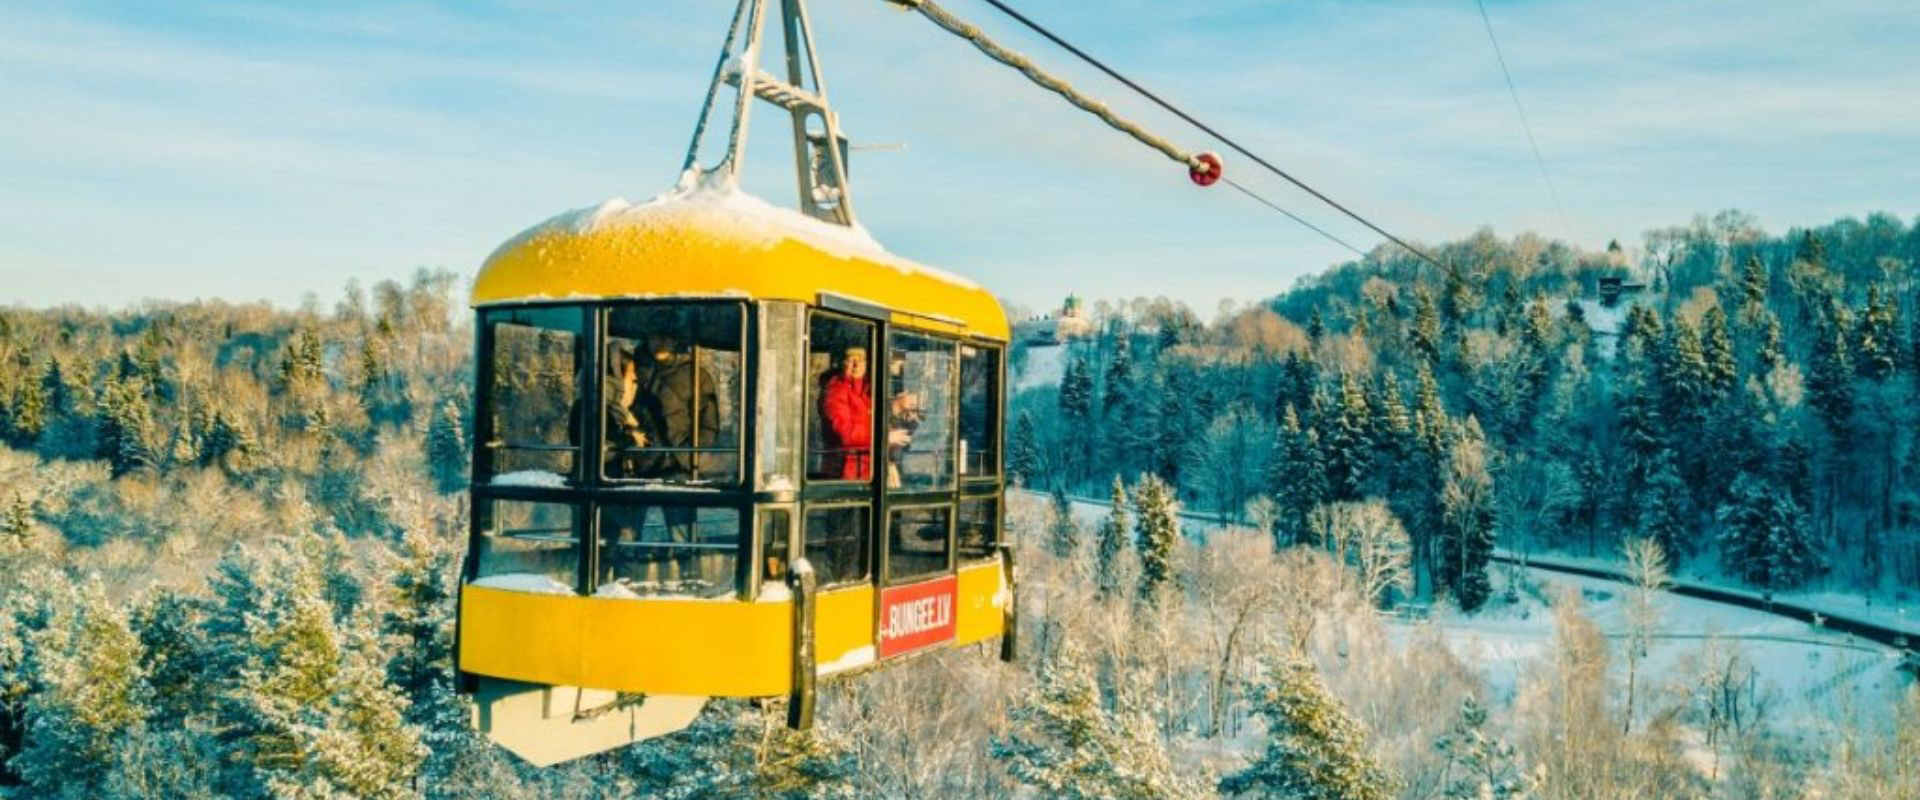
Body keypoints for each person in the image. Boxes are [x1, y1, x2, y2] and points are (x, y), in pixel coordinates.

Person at [819, 346, 873, 480]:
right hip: (846, 473)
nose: (856, 365)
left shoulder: (870, 389)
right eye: (851, 360)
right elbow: (845, 434)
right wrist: (883, 437)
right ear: (842, 364)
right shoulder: (835, 391)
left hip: (869, 470)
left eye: (861, 360)